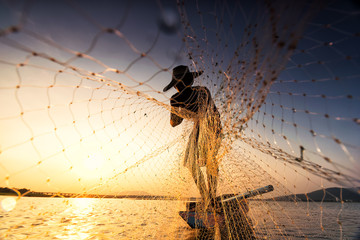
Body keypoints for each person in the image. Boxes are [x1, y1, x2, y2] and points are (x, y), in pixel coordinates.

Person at [163, 65, 222, 210]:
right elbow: (209, 109)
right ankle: (209, 198)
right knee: (206, 161)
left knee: (201, 162)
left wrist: (176, 111)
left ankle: (210, 198)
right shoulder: (202, 90)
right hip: (212, 127)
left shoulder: (175, 99)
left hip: (209, 127)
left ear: (177, 84)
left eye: (176, 85)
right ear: (190, 80)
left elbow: (174, 123)